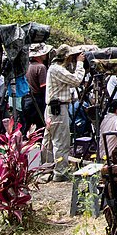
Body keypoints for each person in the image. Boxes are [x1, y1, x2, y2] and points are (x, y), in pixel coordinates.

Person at [43, 44, 85, 182]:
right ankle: (61, 172)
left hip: (55, 109)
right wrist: (79, 64)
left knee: (51, 140)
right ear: (67, 57)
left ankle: (49, 168)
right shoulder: (57, 70)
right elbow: (76, 80)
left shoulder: (55, 69)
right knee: (61, 141)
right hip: (58, 109)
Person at [22, 42, 52, 137]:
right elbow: (43, 86)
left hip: (26, 99)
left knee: (26, 125)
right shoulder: (41, 67)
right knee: (41, 126)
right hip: (38, 99)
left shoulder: (26, 66)